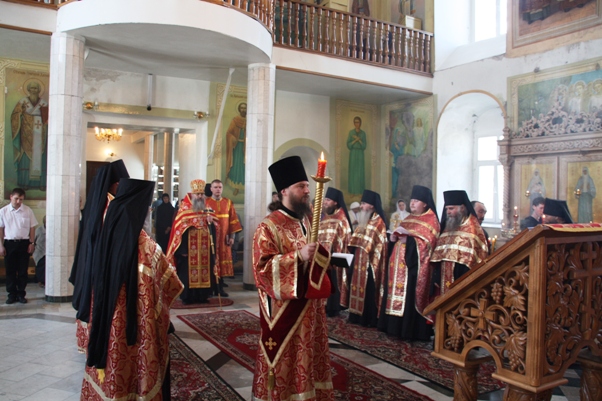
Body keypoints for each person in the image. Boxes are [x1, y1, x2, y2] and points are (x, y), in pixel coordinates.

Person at [81, 178, 184, 400]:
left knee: (113, 361)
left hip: (107, 319)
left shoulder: (106, 234)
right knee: (135, 364)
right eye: (147, 206)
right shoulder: (146, 245)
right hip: (136, 323)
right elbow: (171, 284)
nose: (148, 211)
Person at [252, 156, 333, 401]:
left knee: (308, 356)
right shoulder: (268, 226)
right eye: (301, 186)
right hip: (284, 312)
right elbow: (262, 270)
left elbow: (313, 257)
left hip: (310, 309)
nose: (307, 190)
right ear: (284, 191)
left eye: (307, 185)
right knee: (287, 360)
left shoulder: (306, 220)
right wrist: (298, 256)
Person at [70, 159, 129, 353]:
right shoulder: (110, 205)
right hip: (104, 266)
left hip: (95, 263)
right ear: (113, 184)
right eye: (120, 183)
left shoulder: (98, 203)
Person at [378, 185, 439, 341]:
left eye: (416, 201)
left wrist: (410, 241)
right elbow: (401, 235)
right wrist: (393, 239)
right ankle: (392, 326)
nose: (412, 203)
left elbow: (429, 245)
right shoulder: (409, 218)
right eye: (412, 200)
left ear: (425, 203)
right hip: (397, 266)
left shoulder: (431, 220)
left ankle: (407, 330)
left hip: (412, 268)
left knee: (408, 296)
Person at [166, 179, 219, 305]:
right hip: (189, 251)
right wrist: (182, 250)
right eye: (197, 194)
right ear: (192, 194)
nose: (200, 196)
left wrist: (211, 222)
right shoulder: (184, 209)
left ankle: (202, 296)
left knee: (204, 272)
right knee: (187, 274)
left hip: (204, 249)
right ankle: (188, 297)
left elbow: (214, 227)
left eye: (201, 194)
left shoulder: (207, 208)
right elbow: (179, 231)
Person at [430, 190, 489, 298]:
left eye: (451, 208)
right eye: (447, 209)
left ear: (462, 208)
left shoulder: (472, 229)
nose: (448, 212)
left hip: (462, 280)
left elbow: (474, 260)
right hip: (442, 281)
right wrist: (436, 276)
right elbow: (439, 256)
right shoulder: (447, 228)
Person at [348, 189, 388, 327]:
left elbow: (378, 244)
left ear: (371, 205)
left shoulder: (379, 222)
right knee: (356, 286)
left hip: (371, 262)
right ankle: (355, 316)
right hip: (359, 259)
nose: (361, 206)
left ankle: (367, 318)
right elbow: (355, 239)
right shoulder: (363, 221)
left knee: (369, 289)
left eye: (363, 203)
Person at [318, 187, 353, 317]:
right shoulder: (325, 218)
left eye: (328, 200)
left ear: (335, 202)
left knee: (333, 282)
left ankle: (334, 307)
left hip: (334, 259)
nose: (325, 202)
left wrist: (333, 253)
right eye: (325, 200)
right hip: (321, 258)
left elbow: (345, 240)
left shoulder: (341, 218)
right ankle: (323, 305)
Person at [0, 188, 38, 304]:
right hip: (9, 243)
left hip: (23, 243)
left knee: (22, 271)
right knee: (10, 270)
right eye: (16, 199)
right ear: (11, 197)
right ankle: (11, 294)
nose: (18, 202)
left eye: (21, 199)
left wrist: (32, 243)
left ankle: (21, 294)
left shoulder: (28, 211)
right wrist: (1, 245)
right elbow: (1, 230)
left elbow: (32, 228)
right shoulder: (3, 211)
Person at [206, 179, 242, 295]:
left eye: (220, 187)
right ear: (211, 189)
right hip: (210, 239)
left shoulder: (228, 202)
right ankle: (210, 288)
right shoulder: (206, 202)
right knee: (211, 261)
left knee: (221, 262)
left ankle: (220, 288)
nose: (218, 189)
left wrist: (232, 237)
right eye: (215, 187)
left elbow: (233, 221)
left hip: (224, 239)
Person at [10, 80, 48, 190]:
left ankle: (41, 184)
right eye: (32, 88)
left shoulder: (43, 103)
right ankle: (24, 183)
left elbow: (47, 119)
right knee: (26, 157)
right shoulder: (23, 102)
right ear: (28, 90)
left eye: (36, 88)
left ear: (39, 90)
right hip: (26, 134)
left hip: (40, 134)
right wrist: (19, 114)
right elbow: (15, 115)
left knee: (41, 156)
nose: (33, 90)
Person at [226, 102, 247, 194]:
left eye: (245, 108)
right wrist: (232, 138)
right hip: (237, 146)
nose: (243, 110)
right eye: (242, 108)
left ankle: (245, 186)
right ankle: (236, 187)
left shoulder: (250, 121)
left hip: (247, 148)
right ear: (239, 109)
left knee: (245, 166)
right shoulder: (235, 120)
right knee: (237, 166)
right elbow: (228, 133)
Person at [346, 116, 367, 195]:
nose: (356, 124)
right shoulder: (351, 133)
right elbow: (348, 145)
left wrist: (359, 140)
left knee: (360, 172)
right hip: (353, 153)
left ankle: (360, 191)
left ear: (360, 123)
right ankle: (352, 191)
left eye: (358, 122)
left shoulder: (363, 133)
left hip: (360, 154)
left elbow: (364, 146)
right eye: (355, 122)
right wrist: (355, 140)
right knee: (353, 172)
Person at [33, 215, 46, 288]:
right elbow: (33, 241)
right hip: (40, 252)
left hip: (50, 252)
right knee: (42, 262)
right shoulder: (39, 230)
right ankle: (41, 280)